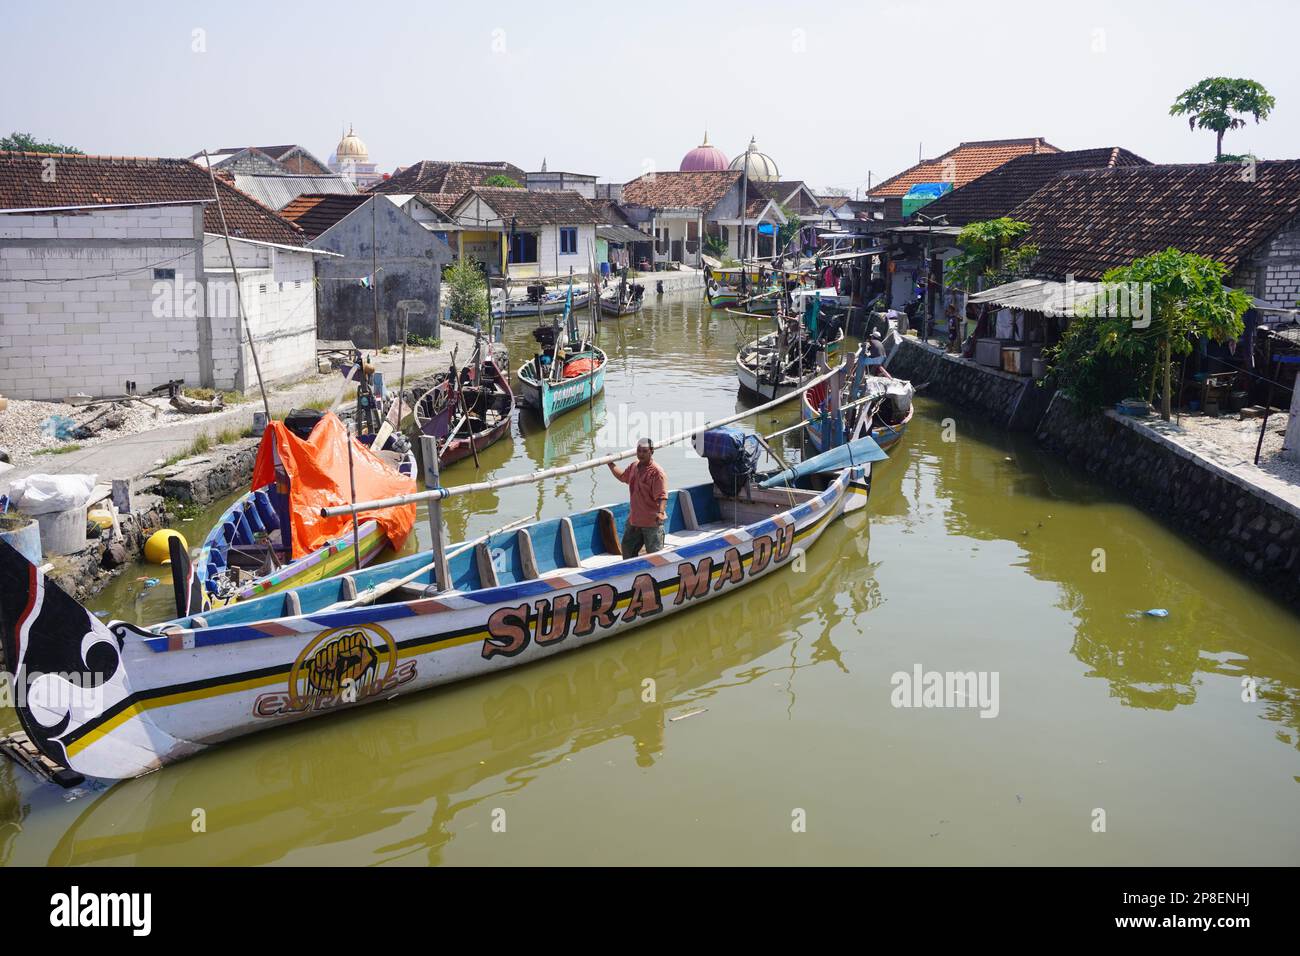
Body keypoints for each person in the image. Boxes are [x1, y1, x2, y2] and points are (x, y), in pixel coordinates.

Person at [608, 438, 668, 558]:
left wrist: (661, 513)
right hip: (635, 520)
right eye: (639, 451)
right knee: (627, 550)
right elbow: (622, 477)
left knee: (655, 556)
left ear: (651, 452)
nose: (641, 454)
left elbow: (662, 496)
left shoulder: (656, 472)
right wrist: (611, 464)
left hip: (651, 522)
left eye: (644, 451)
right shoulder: (634, 466)